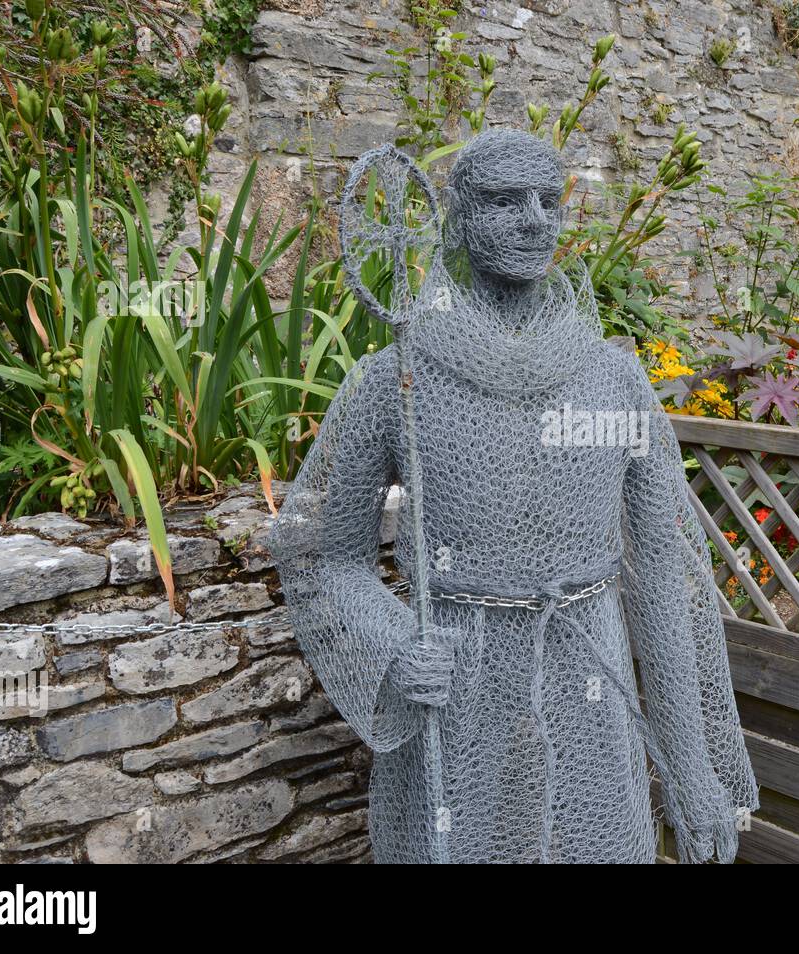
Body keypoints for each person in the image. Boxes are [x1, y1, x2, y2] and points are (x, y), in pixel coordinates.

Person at [267, 128, 757, 863]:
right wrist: (396, 645)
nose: (534, 221)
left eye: (548, 201)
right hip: (462, 692)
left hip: (591, 681)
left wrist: (693, 770)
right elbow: (327, 557)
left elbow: (661, 579)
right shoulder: (394, 380)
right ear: (458, 218)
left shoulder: (613, 381)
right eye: (503, 201)